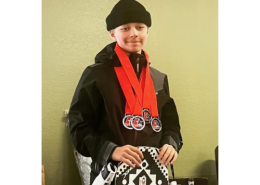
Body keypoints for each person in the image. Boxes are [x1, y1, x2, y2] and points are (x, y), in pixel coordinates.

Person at [68, 0, 183, 184]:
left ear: (147, 31)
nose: (134, 34)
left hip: (153, 175)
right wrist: (110, 150)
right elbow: (78, 128)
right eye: (125, 28)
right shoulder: (96, 75)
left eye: (140, 27)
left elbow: (171, 125)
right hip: (110, 174)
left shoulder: (159, 79)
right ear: (112, 33)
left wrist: (170, 143)